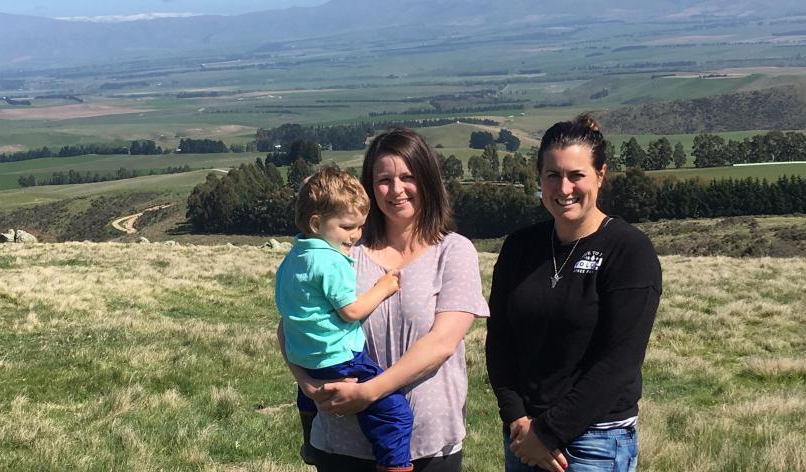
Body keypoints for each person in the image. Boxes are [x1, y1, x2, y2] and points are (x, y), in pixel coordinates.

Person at [283, 127, 489, 472]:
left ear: (428, 180)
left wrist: (370, 392)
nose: (396, 190)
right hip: (341, 443)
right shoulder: (343, 251)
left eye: (408, 177)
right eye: (383, 180)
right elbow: (291, 324)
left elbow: (441, 343)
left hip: (428, 444)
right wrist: (307, 383)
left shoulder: (453, 252)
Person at [485, 114, 662, 472]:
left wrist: (548, 432)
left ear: (601, 174)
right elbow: (499, 339)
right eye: (552, 175)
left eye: (576, 175)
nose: (563, 189)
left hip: (594, 441)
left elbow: (619, 363)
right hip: (522, 436)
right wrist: (516, 416)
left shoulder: (629, 251)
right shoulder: (520, 247)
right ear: (540, 179)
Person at [275, 166, 414, 472]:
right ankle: (394, 466)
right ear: (317, 223)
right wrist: (383, 288)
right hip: (340, 356)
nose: (357, 235)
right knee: (395, 414)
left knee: (309, 396)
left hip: (305, 357)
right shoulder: (331, 260)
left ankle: (310, 439)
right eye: (348, 227)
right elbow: (350, 311)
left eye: (360, 226)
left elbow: (285, 315)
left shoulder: (292, 259)